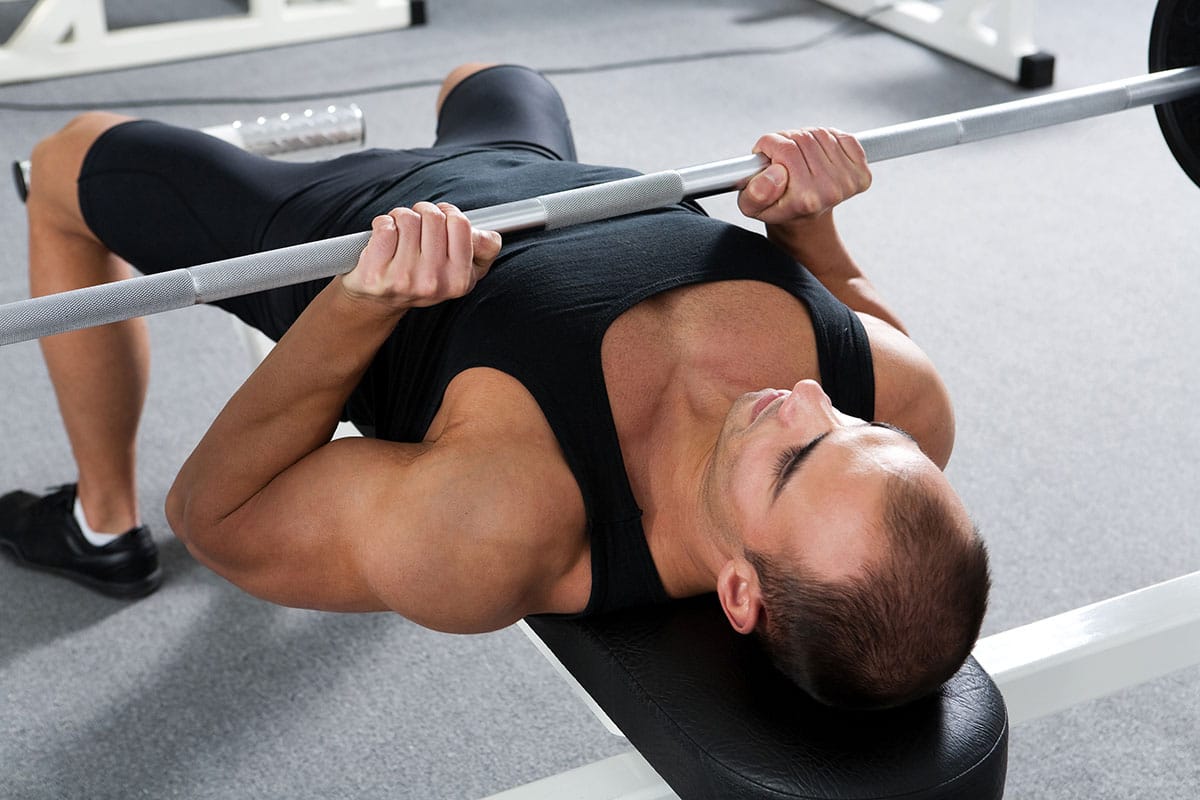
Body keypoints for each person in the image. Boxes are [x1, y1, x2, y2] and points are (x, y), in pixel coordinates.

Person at [0, 63, 989, 709]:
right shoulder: (904, 408)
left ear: (740, 588)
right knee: (494, 74)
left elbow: (216, 514)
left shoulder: (495, 528)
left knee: (62, 162)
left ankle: (100, 522)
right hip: (546, 172)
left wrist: (359, 302)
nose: (813, 397)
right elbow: (850, 304)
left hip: (355, 224)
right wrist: (805, 224)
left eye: (801, 453)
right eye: (863, 428)